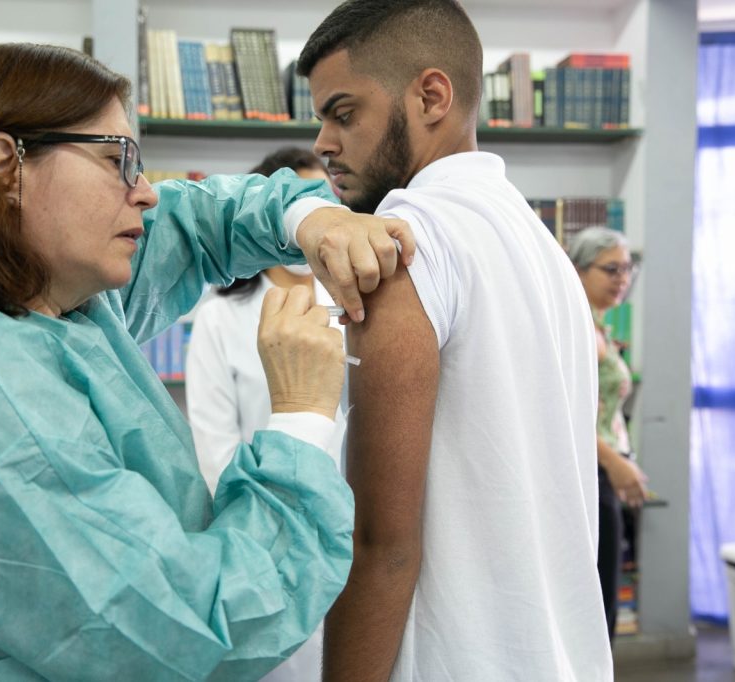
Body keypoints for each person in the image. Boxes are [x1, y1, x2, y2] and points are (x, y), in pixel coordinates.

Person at [0, 43, 416, 682]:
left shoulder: (55, 297)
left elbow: (197, 220)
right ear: (6, 164)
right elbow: (188, 628)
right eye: (118, 158)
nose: (145, 193)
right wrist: (301, 419)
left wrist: (308, 215)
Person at [297, 1, 614, 679]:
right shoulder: (543, 248)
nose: (323, 142)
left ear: (431, 96)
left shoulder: (412, 238)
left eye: (343, 112)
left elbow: (381, 544)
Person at [186, 147, 342, 682]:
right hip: (273, 537)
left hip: (359, 535)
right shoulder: (220, 319)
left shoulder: (360, 304)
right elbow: (214, 451)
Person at [567, 226, 649, 642]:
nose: (623, 278)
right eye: (611, 269)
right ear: (579, 271)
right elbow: (569, 414)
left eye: (628, 269)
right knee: (599, 606)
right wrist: (615, 463)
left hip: (606, 470)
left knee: (605, 595)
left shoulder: (599, 326)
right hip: (595, 474)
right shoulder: (580, 329)